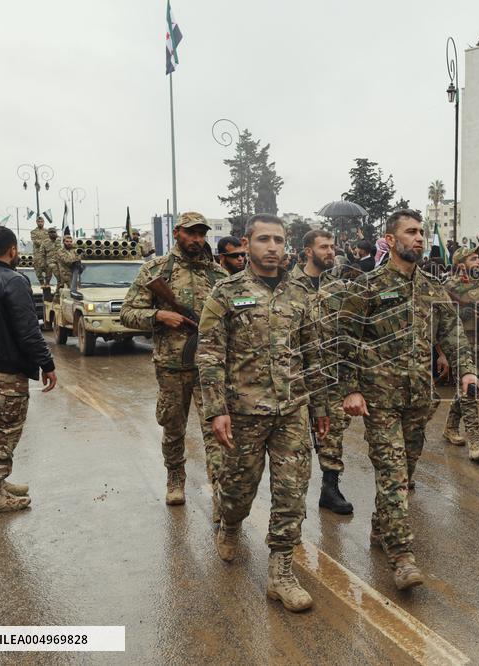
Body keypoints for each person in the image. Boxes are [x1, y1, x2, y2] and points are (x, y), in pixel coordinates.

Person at [338, 209, 479, 589]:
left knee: (407, 468)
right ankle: (402, 557)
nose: (419, 238)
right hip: (380, 398)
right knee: (394, 473)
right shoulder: (367, 287)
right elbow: (345, 341)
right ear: (389, 239)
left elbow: (452, 332)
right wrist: (350, 388)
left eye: (422, 232)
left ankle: (380, 527)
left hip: (419, 397)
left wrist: (466, 368)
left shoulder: (433, 288)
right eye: (411, 232)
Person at [197, 214, 329, 613]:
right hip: (244, 412)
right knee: (239, 491)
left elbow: (313, 352)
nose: (272, 247)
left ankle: (281, 572)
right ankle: (231, 524)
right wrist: (215, 409)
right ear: (247, 244)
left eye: (279, 240)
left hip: (291, 410)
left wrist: (321, 406)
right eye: (264, 240)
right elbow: (209, 354)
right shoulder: (226, 292)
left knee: (291, 493)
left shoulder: (301, 293)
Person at [120, 212, 228, 510]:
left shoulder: (218, 275)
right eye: (191, 233)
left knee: (216, 431)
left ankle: (220, 488)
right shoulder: (156, 270)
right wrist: (159, 316)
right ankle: (175, 478)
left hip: (210, 369)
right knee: (173, 427)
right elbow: (127, 313)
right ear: (177, 232)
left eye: (201, 234)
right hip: (172, 367)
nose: (197, 239)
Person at [0, 226, 57, 515]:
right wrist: (47, 363)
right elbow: (28, 331)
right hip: (5, 372)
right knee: (4, 433)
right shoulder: (14, 281)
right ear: (13, 250)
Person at [291, 229, 354, 515]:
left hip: (330, 372)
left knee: (333, 430)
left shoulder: (339, 288)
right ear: (308, 251)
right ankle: (289, 496)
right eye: (325, 247)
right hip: (294, 374)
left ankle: (330, 488)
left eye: (333, 246)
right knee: (293, 437)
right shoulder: (287, 285)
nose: (331, 252)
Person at [441, 247, 479, 461]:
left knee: (466, 389)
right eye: (473, 258)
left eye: (478, 258)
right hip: (458, 344)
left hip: (478, 342)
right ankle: (475, 442)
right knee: (470, 391)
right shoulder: (449, 286)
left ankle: (450, 427)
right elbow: (440, 319)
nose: (478, 262)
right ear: (461, 264)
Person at [30, 216, 51, 289]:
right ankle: (42, 283)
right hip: (38, 253)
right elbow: (36, 241)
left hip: (47, 253)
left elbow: (50, 240)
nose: (40, 223)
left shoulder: (47, 232)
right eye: (39, 222)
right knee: (38, 268)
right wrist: (45, 243)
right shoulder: (33, 232)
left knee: (49, 267)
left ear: (44, 222)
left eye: (41, 221)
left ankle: (47, 282)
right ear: (36, 222)